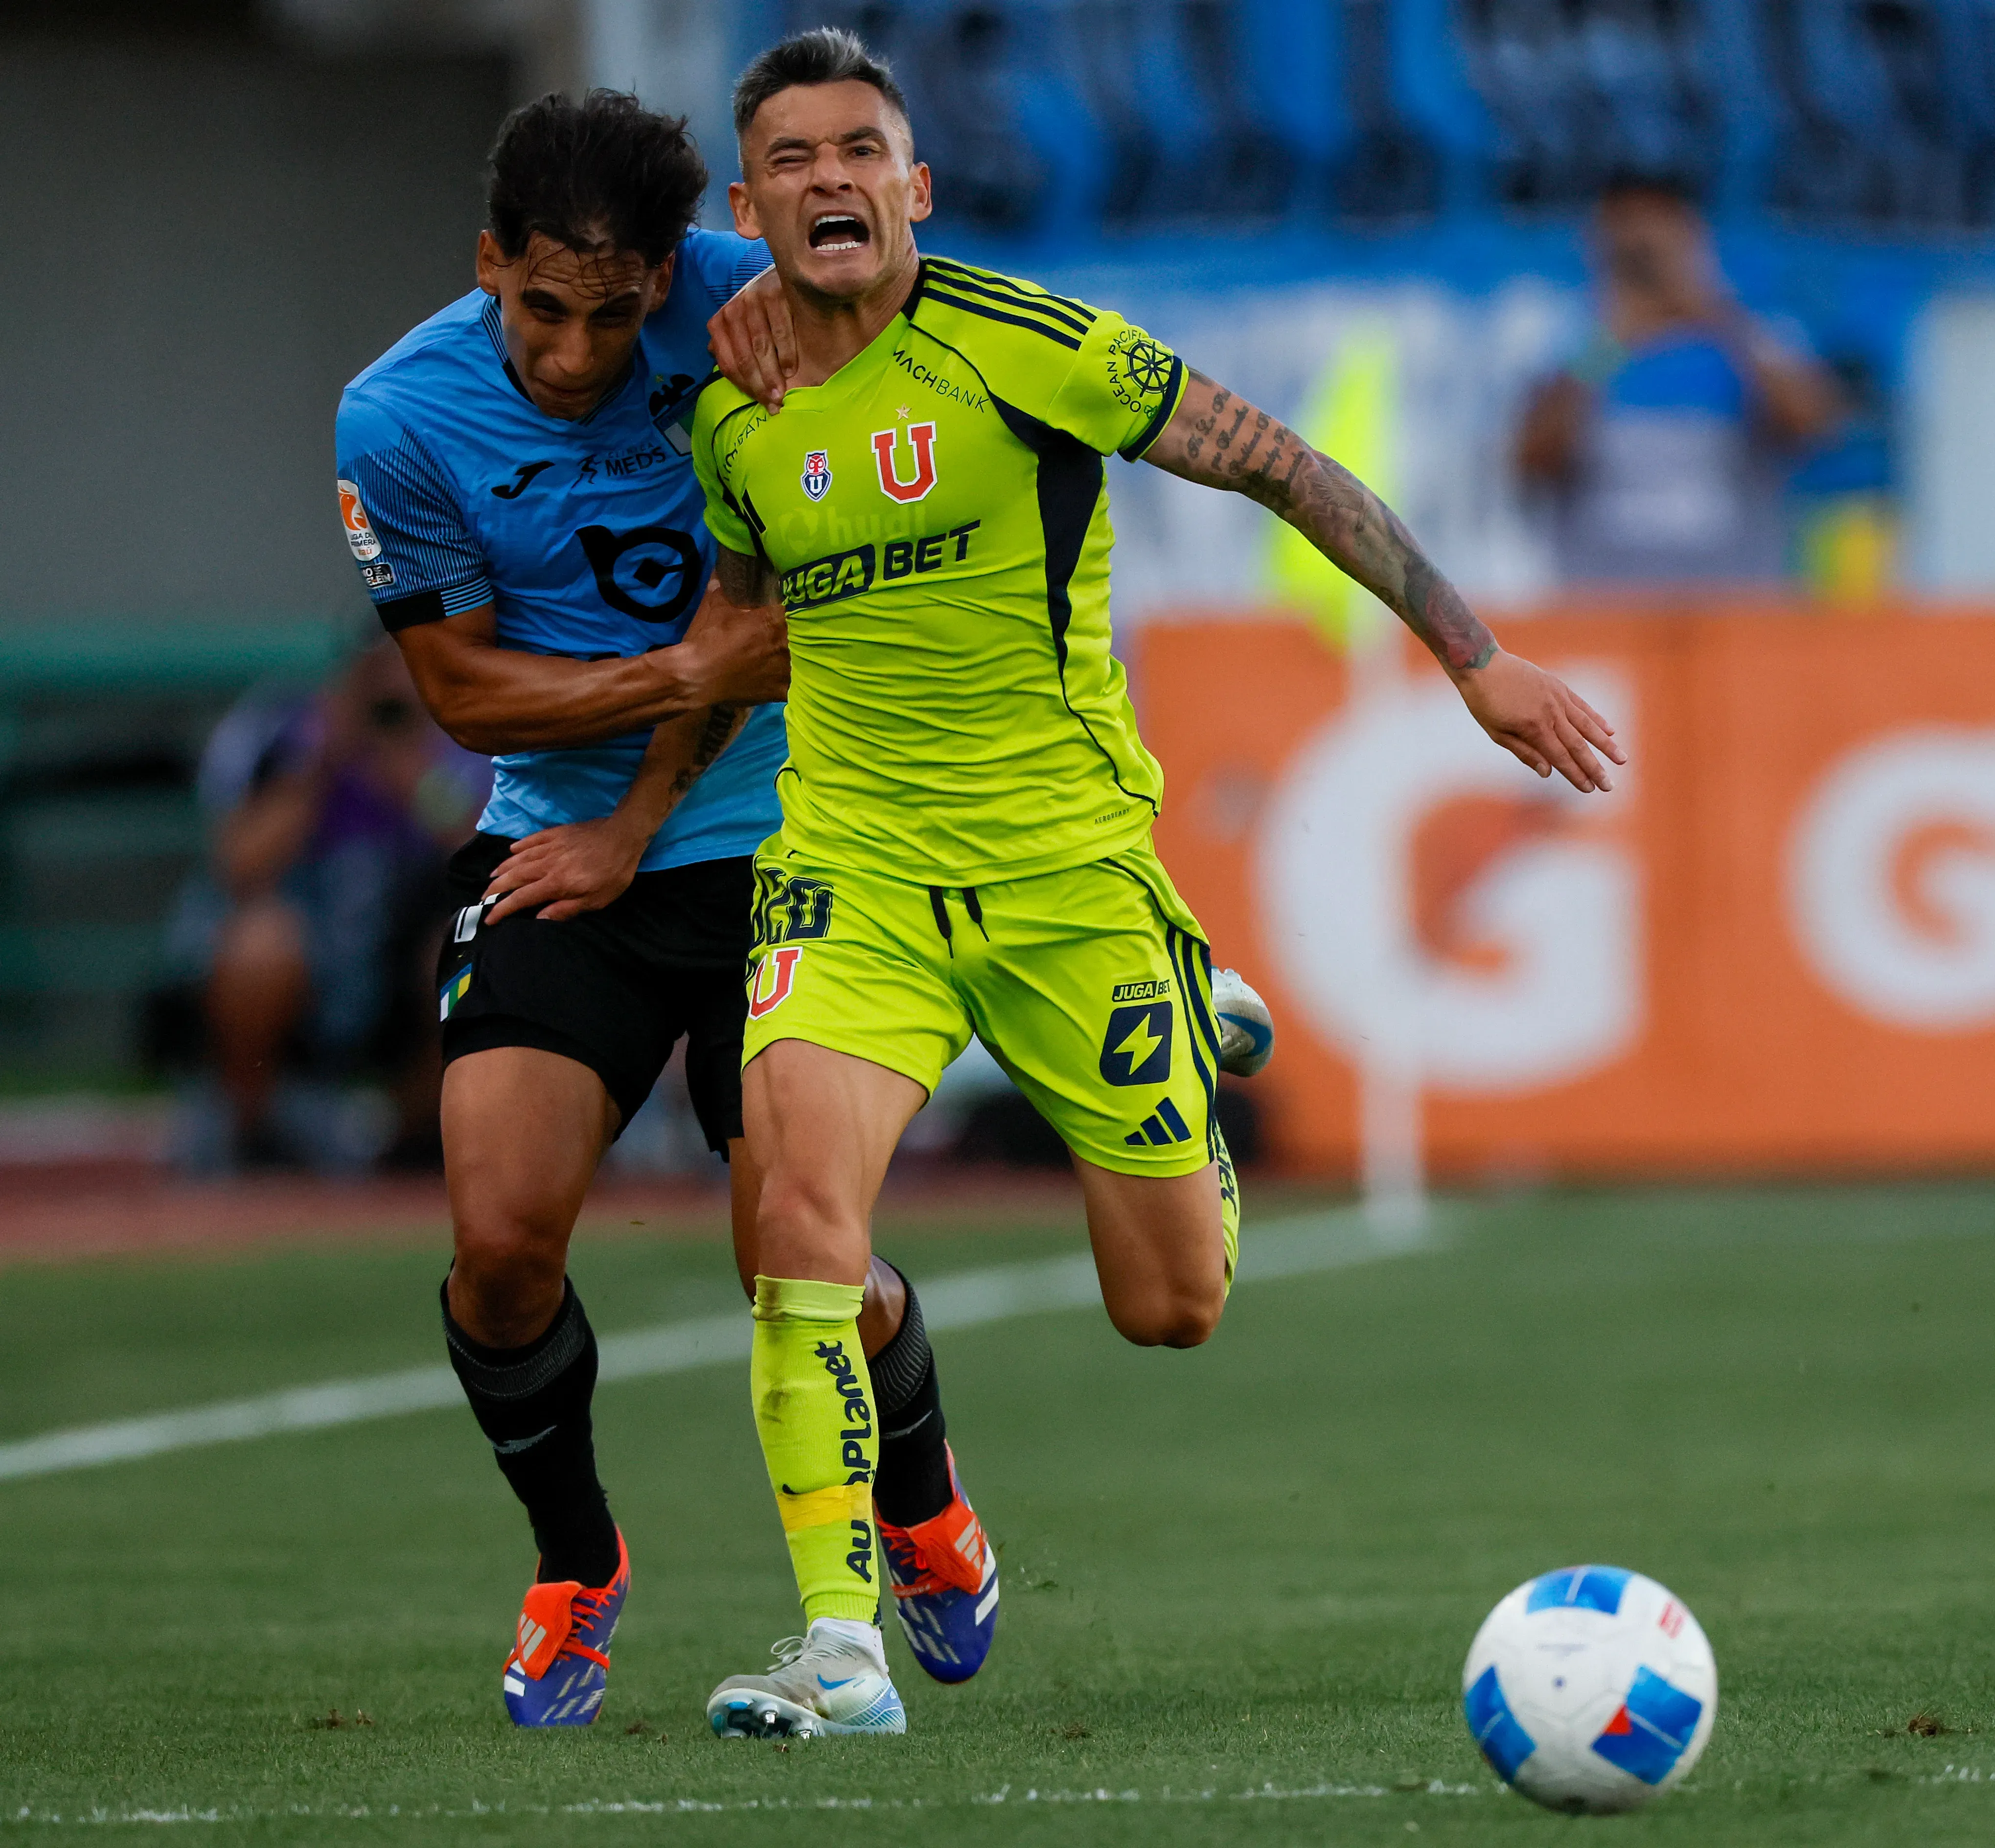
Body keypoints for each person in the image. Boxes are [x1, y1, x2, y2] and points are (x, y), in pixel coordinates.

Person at [682, 27, 1621, 1738]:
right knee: (795, 1223)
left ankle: (1184, 996)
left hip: (1064, 873)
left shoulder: (1026, 347)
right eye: (796, 160)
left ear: (918, 185)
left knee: (1168, 1306)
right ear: (749, 206)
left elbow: (1280, 463)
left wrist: (1473, 660)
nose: (834, 180)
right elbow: (746, 628)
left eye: (861, 149)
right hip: (851, 870)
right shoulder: (730, 416)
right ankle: (838, 1639)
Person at [331, 88, 946, 1734]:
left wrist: (655, 792)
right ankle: (577, 1553)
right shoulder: (397, 415)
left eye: (617, 316)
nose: (581, 353)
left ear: (672, 270)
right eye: (543, 309)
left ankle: (927, 1498)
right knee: (500, 1244)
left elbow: (811, 604)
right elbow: (460, 685)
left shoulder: (768, 328)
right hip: (561, 845)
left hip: (797, 837)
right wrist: (659, 703)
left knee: (797, 1257)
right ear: (488, 266)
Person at [183, 642, 488, 1170]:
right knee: (258, 944)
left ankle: (399, 1138)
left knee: (472, 959)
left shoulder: (467, 740)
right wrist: (324, 758)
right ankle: (253, 1139)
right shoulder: (293, 738)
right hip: (313, 956)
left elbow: (482, 860)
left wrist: (409, 767)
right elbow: (241, 865)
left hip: (405, 959)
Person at [1513, 173, 1845, 589]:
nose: (1644, 259)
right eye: (1629, 248)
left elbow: (1814, 427)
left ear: (1694, 240)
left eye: (1656, 245)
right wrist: (1611, 343)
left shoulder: (1759, 336)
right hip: (1605, 616)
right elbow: (1529, 460)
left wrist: (1718, 318)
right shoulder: (1564, 338)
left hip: (1734, 617)